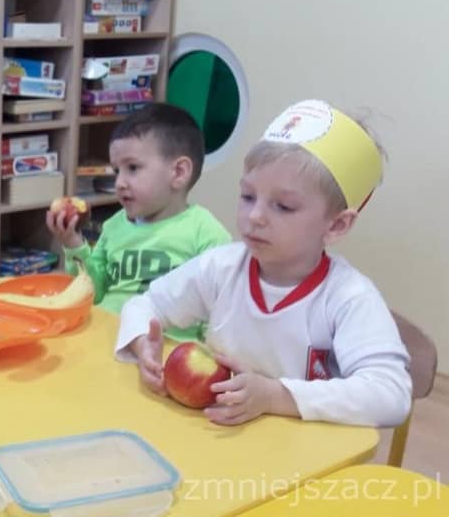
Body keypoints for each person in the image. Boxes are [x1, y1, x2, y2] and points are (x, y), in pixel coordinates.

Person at [116, 99, 412, 427]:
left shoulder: (348, 297)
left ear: (337, 225)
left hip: (308, 453)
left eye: (283, 206)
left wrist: (275, 396)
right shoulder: (220, 268)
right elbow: (146, 305)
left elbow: (391, 395)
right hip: (221, 438)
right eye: (247, 196)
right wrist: (143, 344)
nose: (255, 216)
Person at [47, 103, 231, 341]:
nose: (119, 183)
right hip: (106, 339)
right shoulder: (113, 226)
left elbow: (219, 314)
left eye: (132, 168)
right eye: (117, 171)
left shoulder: (207, 235)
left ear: (178, 172)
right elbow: (93, 293)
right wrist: (73, 244)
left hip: (165, 351)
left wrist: (210, 355)